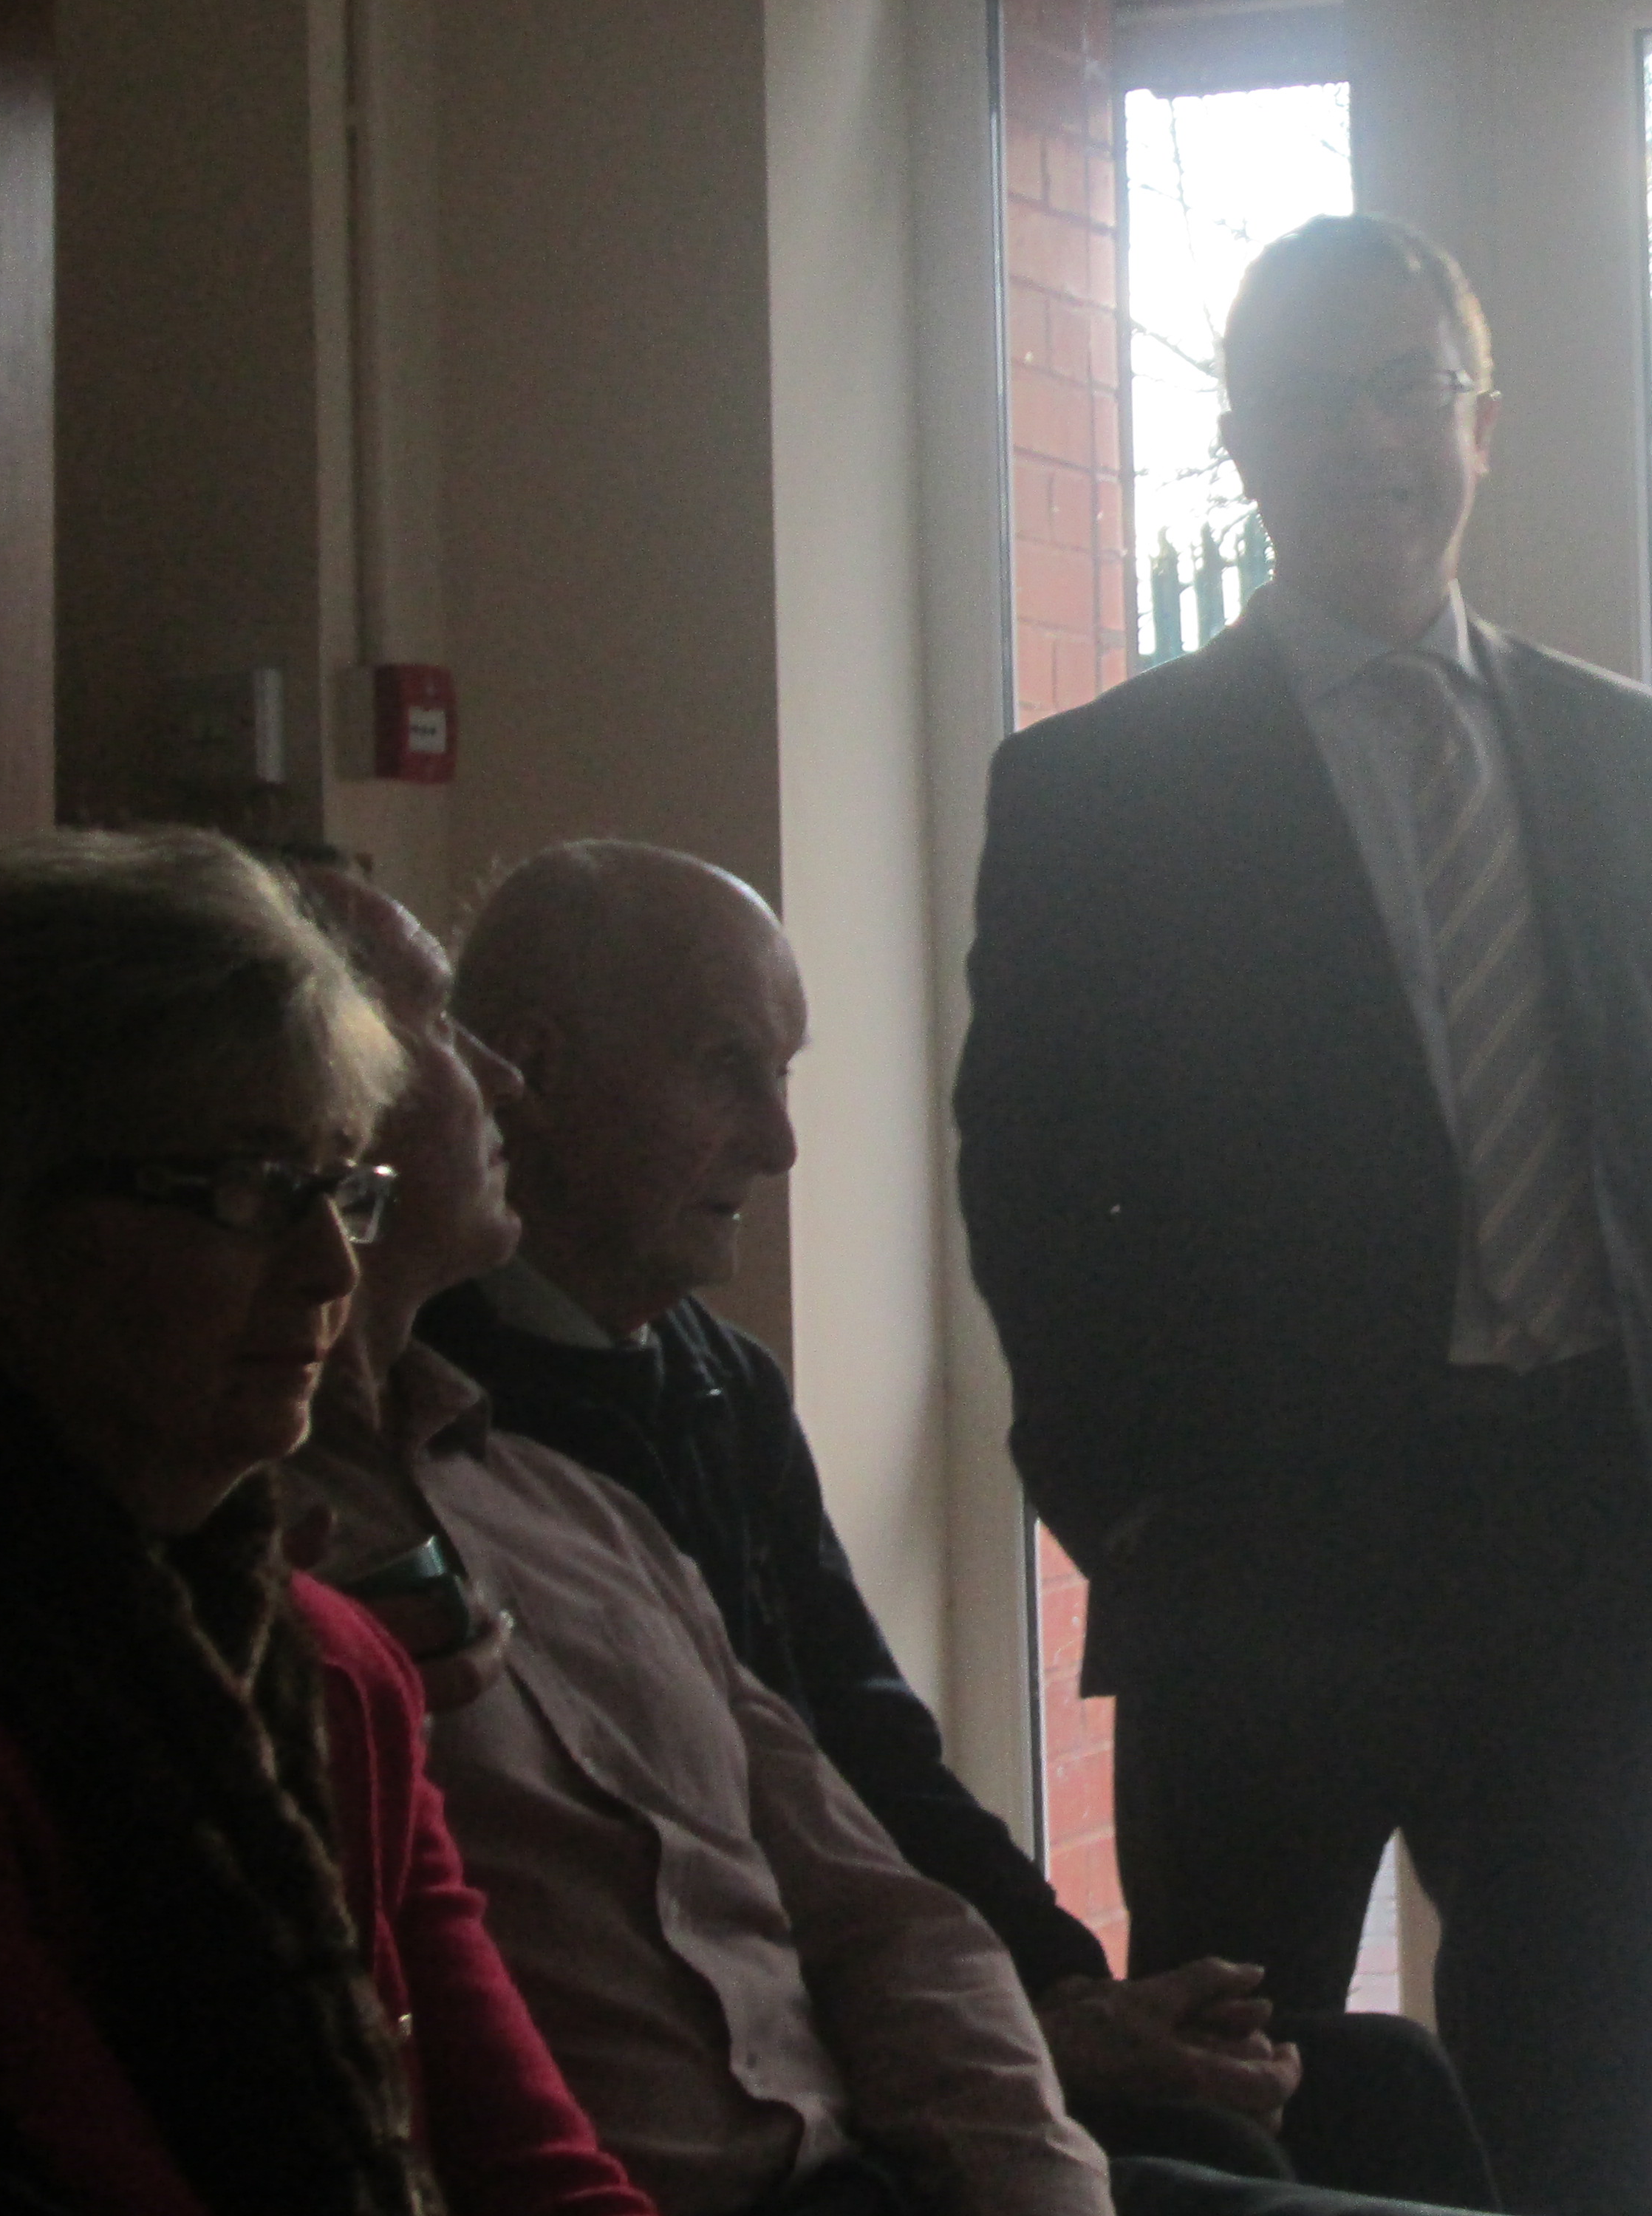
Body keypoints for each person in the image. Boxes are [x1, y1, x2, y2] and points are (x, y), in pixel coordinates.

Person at [954, 213, 1652, 2216]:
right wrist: (1132, 1508)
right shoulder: (1099, 791)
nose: (1365, 439)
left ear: (1481, 421)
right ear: (1240, 448)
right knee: (1236, 2117)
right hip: (1257, 1560)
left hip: (1585, 1548)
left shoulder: (1633, 754)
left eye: (1404, 389)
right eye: (1309, 400)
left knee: (1584, 2119)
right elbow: (1030, 1187)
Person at [398, 845, 1489, 2209]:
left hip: (897, 2007)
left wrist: (1077, 1993)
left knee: (1384, 2085)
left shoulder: (720, 1381)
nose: (780, 1143)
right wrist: (1034, 2040)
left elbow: (874, 1757)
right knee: (1235, 2142)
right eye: (727, 1070)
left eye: (783, 1077)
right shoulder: (439, 1435)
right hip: (781, 2068)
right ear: (532, 1072)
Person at [0, 828, 652, 2216]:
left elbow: (540, 2175)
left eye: (340, 1185)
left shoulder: (335, 1665)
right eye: (247, 1189)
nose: (329, 1266)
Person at [279, 865, 1120, 2216]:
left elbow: (871, 1870)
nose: (495, 1082)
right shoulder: (262, 1580)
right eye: (730, 1069)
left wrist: (1060, 2024)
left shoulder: (590, 1498)